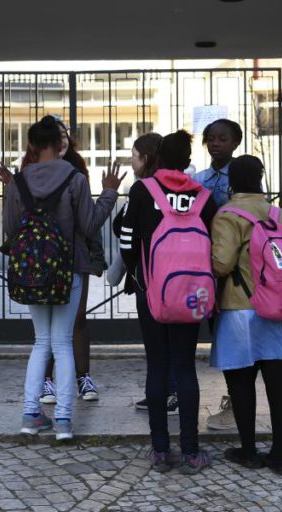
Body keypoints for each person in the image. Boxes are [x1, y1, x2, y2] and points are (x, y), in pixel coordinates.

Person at [2, 115, 124, 440]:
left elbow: (12, 231)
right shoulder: (75, 178)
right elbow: (89, 225)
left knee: (41, 341)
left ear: (31, 145)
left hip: (33, 272)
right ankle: (65, 422)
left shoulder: (18, 182)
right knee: (62, 343)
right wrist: (109, 193)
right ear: (60, 146)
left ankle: (31, 416)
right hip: (68, 269)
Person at [210, 155, 282, 476]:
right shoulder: (281, 214)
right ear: (261, 178)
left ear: (231, 182)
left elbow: (222, 264)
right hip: (280, 309)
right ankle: (280, 455)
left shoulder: (227, 215)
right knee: (280, 383)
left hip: (242, 310)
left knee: (241, 384)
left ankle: (249, 450)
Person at [120, 130, 217, 473]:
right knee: (185, 367)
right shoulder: (204, 196)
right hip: (192, 295)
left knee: (157, 367)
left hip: (152, 294)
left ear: (157, 159)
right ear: (188, 162)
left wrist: (138, 272)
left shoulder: (143, 191)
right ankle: (191, 451)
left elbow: (128, 241)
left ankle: (160, 450)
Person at [110, 132, 181, 416]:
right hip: (179, 276)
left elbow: (123, 231)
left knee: (157, 342)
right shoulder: (183, 187)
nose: (131, 159)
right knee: (173, 339)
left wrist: (134, 269)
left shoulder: (143, 189)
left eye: (135, 154)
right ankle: (165, 392)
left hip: (150, 276)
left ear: (147, 158)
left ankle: (167, 392)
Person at [193, 118, 243, 431]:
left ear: (235, 142)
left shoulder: (242, 175)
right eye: (211, 138)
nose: (215, 143)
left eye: (222, 138)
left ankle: (238, 397)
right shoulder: (198, 178)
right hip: (202, 264)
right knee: (217, 332)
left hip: (235, 268)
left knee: (234, 333)